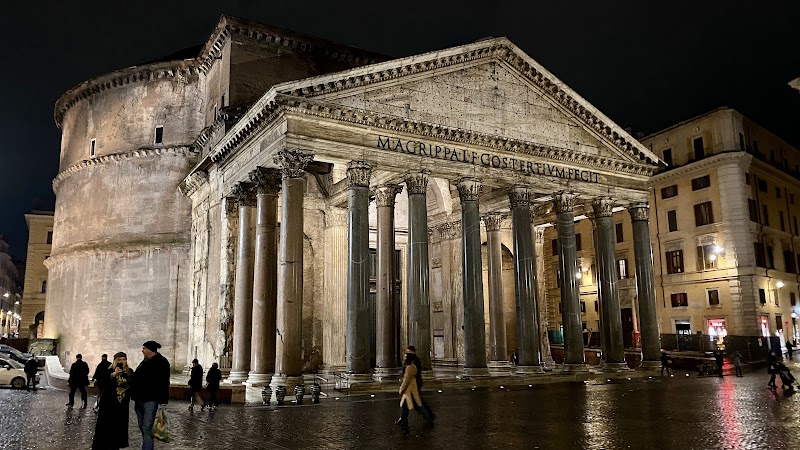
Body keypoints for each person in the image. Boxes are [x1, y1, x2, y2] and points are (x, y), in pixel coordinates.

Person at [131, 341, 170, 450]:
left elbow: (164, 382)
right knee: (142, 426)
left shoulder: (162, 362)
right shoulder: (144, 361)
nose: (142, 350)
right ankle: (147, 445)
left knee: (147, 427)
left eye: (144, 348)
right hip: (139, 399)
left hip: (151, 400)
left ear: (150, 349)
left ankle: (147, 448)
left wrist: (163, 400)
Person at [92, 352, 133, 450]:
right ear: (115, 361)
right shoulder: (108, 371)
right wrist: (113, 375)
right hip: (108, 406)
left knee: (118, 429)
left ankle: (116, 446)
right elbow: (102, 384)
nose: (122, 361)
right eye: (119, 360)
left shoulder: (129, 372)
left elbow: (133, 385)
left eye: (124, 359)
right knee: (105, 428)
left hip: (122, 406)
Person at [396, 352, 433, 427]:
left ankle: (428, 418)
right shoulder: (412, 366)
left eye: (405, 357)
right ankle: (402, 419)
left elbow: (406, 380)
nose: (403, 359)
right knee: (406, 406)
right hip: (411, 389)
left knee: (416, 406)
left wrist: (401, 389)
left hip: (410, 390)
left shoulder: (409, 368)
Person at [405, 346, 435, 421]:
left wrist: (402, 387)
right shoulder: (412, 362)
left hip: (414, 384)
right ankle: (403, 418)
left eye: (408, 352)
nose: (407, 354)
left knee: (417, 403)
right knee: (409, 402)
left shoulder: (414, 362)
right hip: (413, 384)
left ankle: (428, 416)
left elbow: (410, 376)